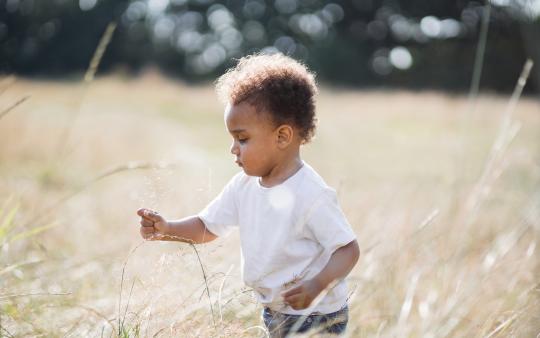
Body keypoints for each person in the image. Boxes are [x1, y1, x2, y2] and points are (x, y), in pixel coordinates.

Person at [137, 53, 360, 337]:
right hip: (275, 310)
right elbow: (207, 226)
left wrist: (318, 285)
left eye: (242, 139)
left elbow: (347, 249)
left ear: (282, 137)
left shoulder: (312, 194)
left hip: (316, 315)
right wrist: (167, 229)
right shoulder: (242, 186)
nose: (233, 148)